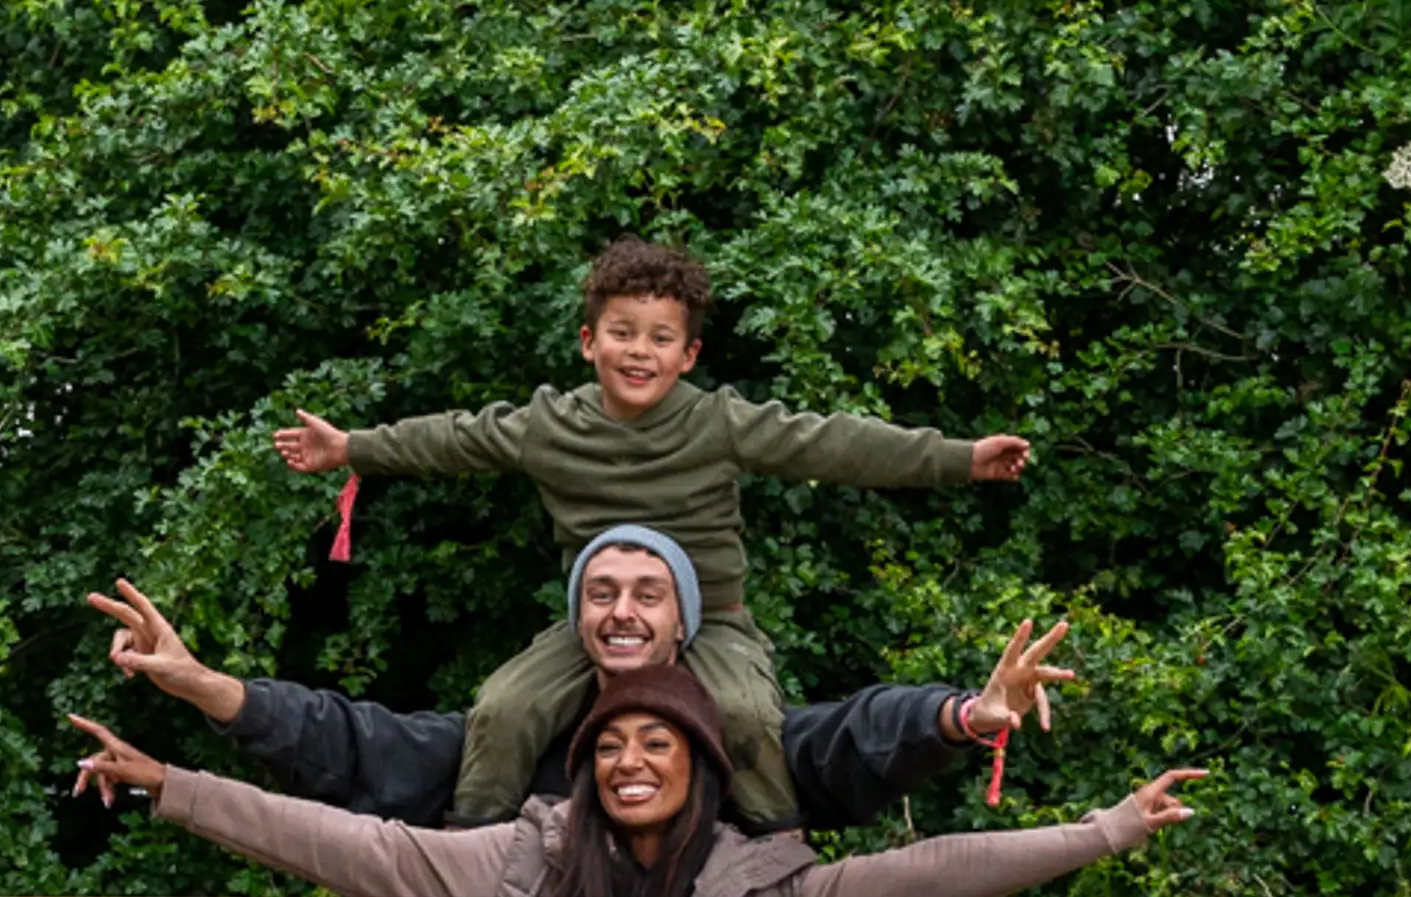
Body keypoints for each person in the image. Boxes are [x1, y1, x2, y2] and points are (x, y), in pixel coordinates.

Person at [271, 236, 1029, 826]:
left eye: (661, 338)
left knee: (744, 716)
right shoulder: (550, 425)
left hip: (713, 626)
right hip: (597, 625)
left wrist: (960, 459)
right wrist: (352, 448)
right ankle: (477, 865)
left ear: (689, 353)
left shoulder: (716, 421)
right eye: (623, 333)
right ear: (587, 341)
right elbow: (452, 439)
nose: (640, 352)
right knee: (501, 711)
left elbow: (834, 444)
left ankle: (775, 849)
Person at [84, 531, 1073, 834]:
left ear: (686, 621)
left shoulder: (745, 738)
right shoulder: (522, 749)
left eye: (648, 592)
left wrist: (967, 714)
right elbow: (354, 747)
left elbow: (853, 736)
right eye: (601, 592)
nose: (623, 609)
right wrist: (212, 688)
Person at [66, 661, 1194, 897]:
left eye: (660, 744)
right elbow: (339, 841)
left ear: (702, 766)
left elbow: (929, 868)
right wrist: (174, 782)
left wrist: (1099, 829)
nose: (631, 760)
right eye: (611, 744)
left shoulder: (762, 884)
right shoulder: (524, 853)